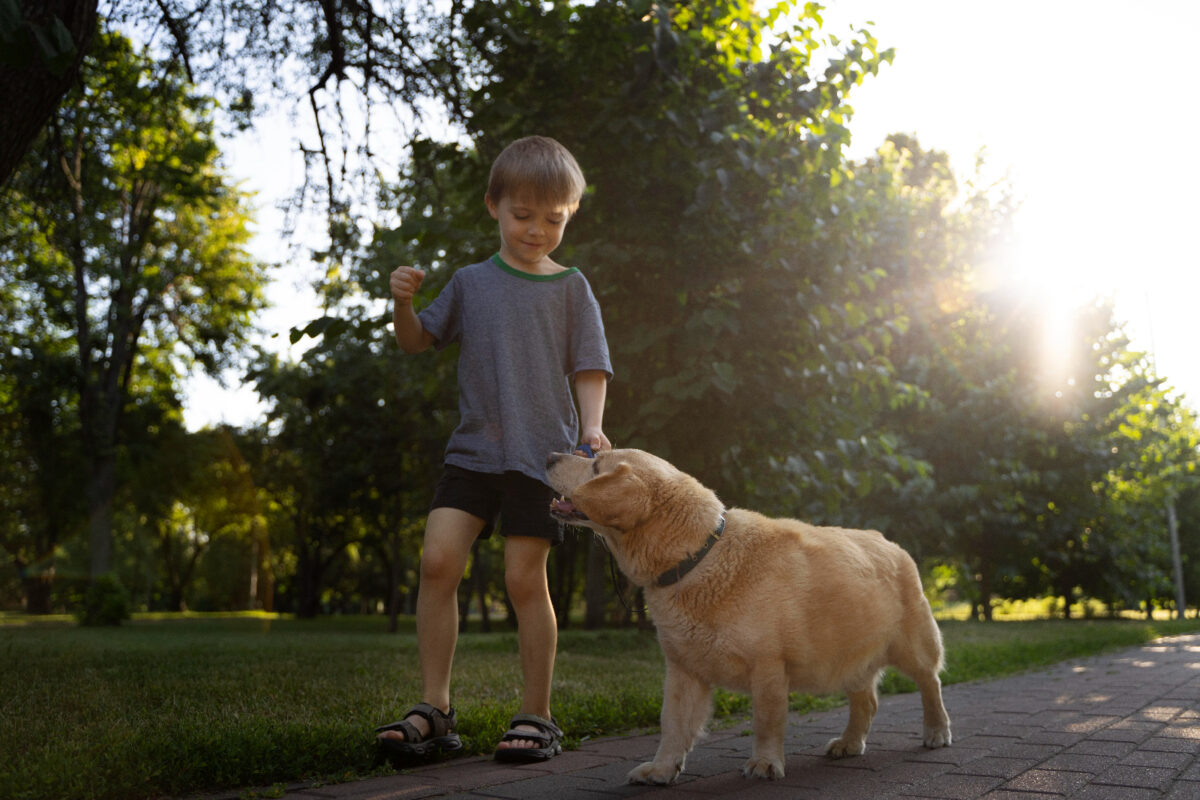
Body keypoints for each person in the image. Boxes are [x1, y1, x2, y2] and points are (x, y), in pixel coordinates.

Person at [376, 135, 612, 763]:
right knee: (437, 563)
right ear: (493, 206)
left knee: (521, 578)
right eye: (522, 215)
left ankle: (538, 715)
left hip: (542, 457)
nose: (537, 230)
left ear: (570, 214)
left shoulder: (571, 288)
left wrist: (591, 430)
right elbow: (416, 340)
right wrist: (402, 301)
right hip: (473, 452)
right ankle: (436, 710)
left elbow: (591, 364)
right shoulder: (471, 283)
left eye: (553, 219)